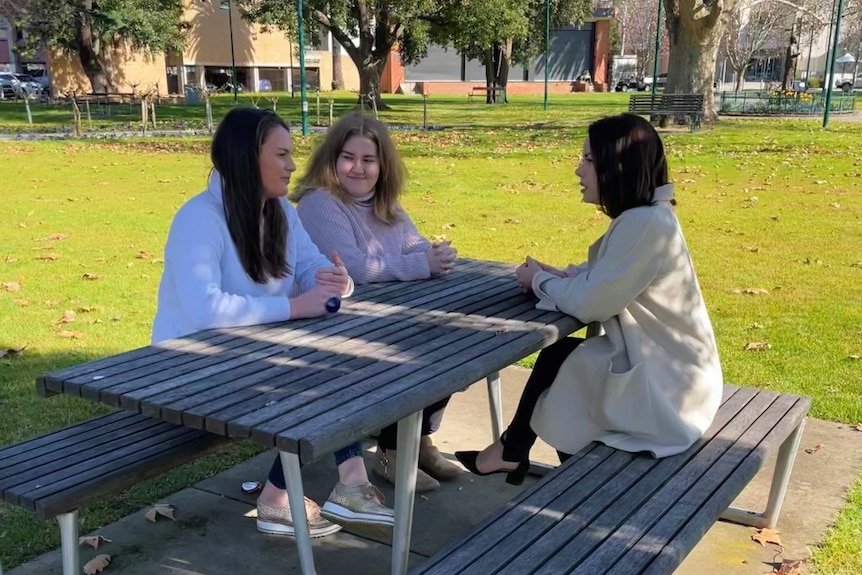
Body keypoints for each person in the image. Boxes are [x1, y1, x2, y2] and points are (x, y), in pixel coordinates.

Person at [151, 107, 394, 539]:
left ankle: (335, 488)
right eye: (281, 154)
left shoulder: (280, 209)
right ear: (248, 157)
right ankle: (290, 497)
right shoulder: (198, 219)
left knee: (342, 366)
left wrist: (338, 284)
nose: (292, 164)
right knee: (318, 378)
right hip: (185, 374)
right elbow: (205, 308)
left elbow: (312, 269)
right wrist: (297, 307)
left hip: (253, 359)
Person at [455, 113, 724, 484]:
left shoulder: (644, 224)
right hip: (674, 373)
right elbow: (613, 275)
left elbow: (592, 303)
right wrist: (562, 276)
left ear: (617, 167)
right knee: (563, 359)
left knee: (573, 374)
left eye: (588, 160)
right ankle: (514, 451)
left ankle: (572, 483)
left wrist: (541, 282)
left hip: (673, 393)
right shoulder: (649, 217)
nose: (578, 171)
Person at [290, 112, 462, 492]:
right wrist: (421, 264)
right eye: (348, 157)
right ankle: (392, 451)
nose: (358, 168)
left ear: (383, 165)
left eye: (369, 160)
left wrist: (435, 253)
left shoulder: (386, 204)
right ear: (332, 159)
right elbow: (353, 267)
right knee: (417, 351)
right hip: (331, 327)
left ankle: (416, 440)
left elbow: (411, 242)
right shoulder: (320, 203)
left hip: (383, 317)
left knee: (454, 342)